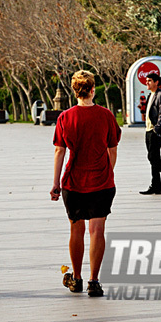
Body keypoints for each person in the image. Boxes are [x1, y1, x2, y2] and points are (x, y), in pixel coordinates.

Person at [50, 70, 121, 297]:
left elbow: (60, 151)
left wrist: (55, 184)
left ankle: (77, 279)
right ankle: (94, 281)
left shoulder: (65, 117)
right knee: (97, 229)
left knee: (76, 229)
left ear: (74, 91)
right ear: (92, 90)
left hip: (73, 182)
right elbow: (112, 149)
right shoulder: (106, 116)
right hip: (102, 181)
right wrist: (107, 172)